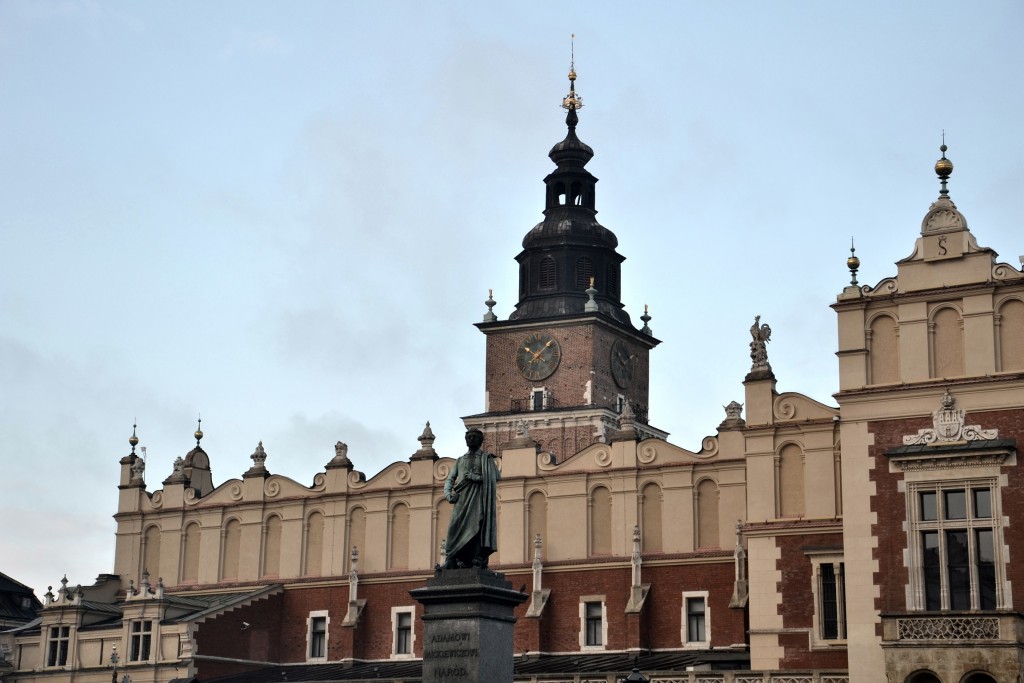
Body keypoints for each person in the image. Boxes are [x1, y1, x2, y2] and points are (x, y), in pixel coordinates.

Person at [442, 428, 500, 569]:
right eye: (469, 437)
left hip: (478, 500)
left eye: (474, 437)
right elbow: (450, 479)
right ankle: (452, 558)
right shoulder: (460, 460)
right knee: (454, 528)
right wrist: (448, 494)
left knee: (476, 528)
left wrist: (476, 477)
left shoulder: (486, 459)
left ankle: (477, 558)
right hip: (461, 499)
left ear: (481, 441)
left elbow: (495, 477)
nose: (471, 439)